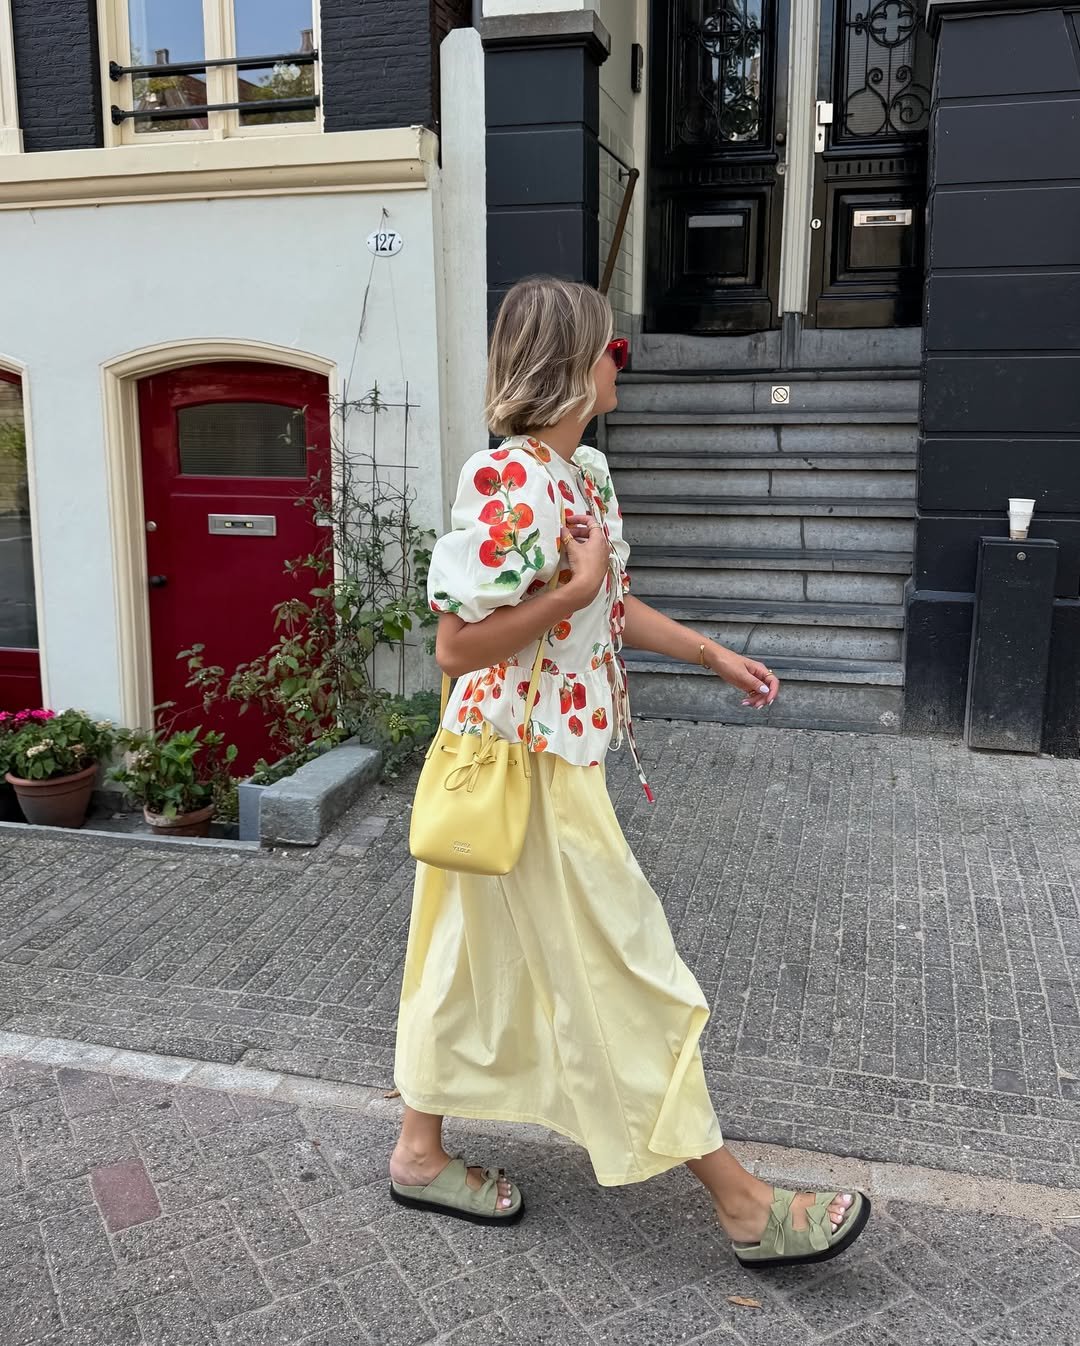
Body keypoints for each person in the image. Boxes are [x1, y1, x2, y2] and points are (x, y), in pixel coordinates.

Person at [390, 277, 869, 1268]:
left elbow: (605, 612)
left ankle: (418, 1149)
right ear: (573, 366)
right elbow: (455, 646)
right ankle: (743, 1204)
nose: (624, 365)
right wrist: (574, 582)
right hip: (514, 769)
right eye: (616, 350)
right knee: (627, 967)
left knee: (464, 959)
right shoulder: (509, 483)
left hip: (547, 761)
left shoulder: (585, 475)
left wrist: (709, 653)